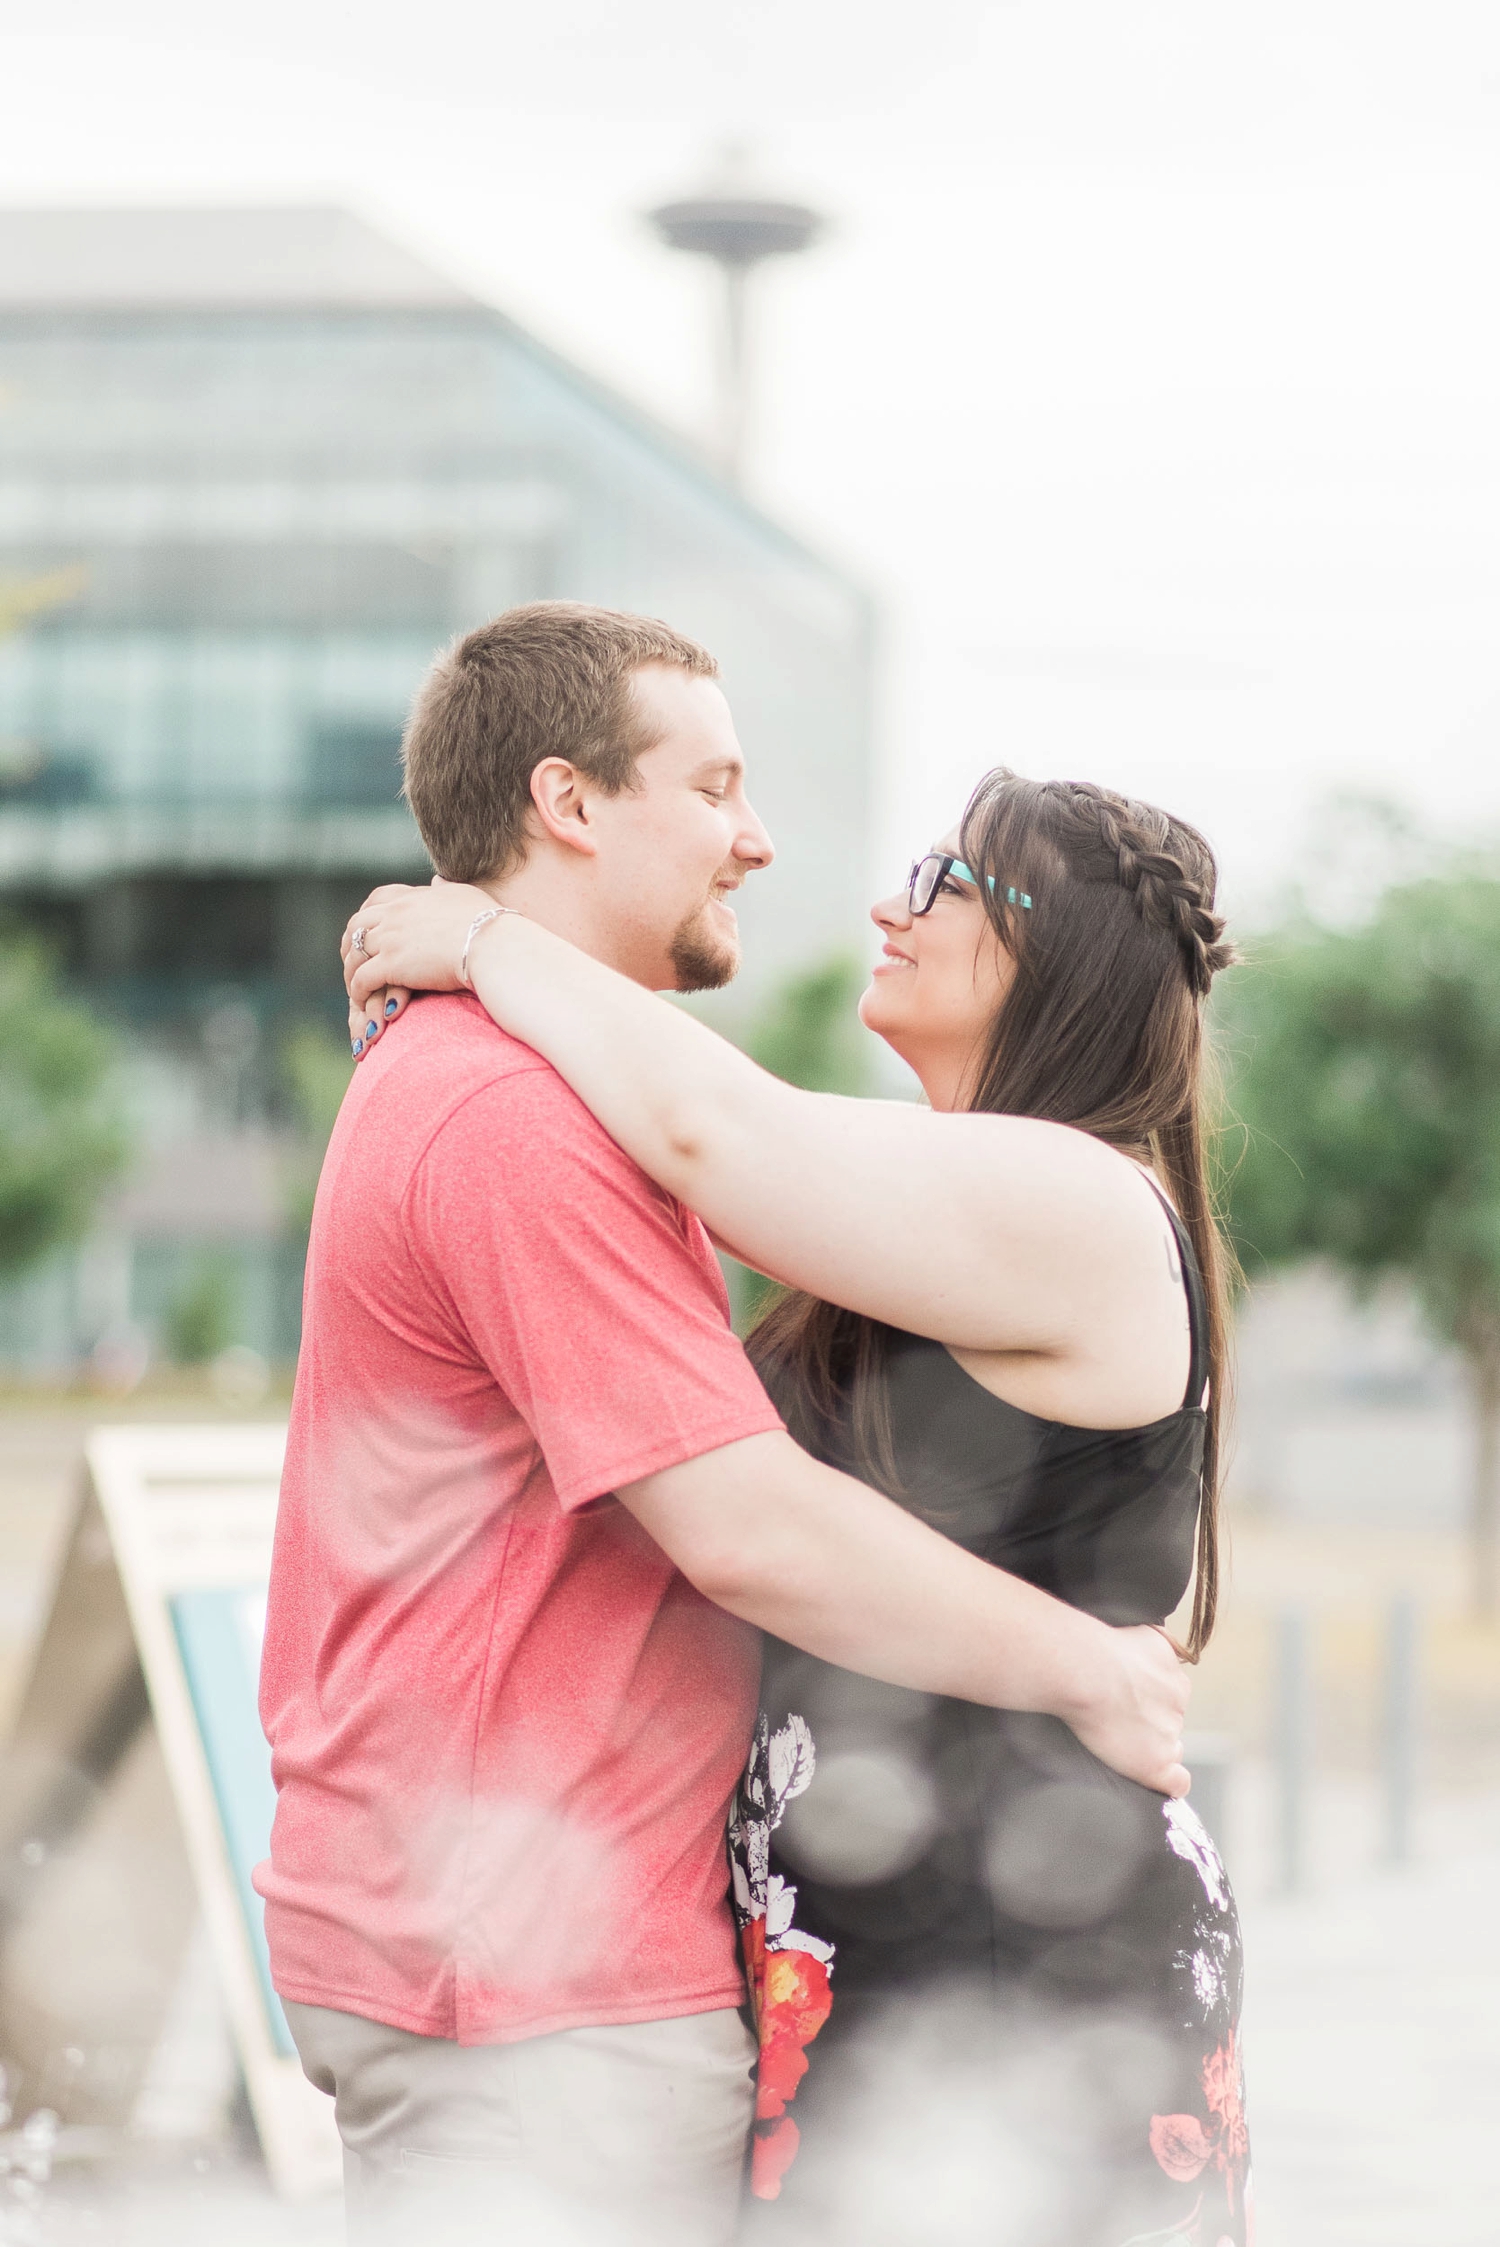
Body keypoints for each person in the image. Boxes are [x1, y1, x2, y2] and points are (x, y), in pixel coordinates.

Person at [259, 603, 1190, 2247]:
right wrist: (1080, 1659)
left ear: (1058, 959)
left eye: (943, 883)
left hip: (987, 1938)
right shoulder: (521, 1114)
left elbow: (715, 1124)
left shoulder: (1049, 1195)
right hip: (575, 1972)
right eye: (717, 789)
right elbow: (743, 1518)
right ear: (571, 801)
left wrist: (479, 937)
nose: (773, 850)